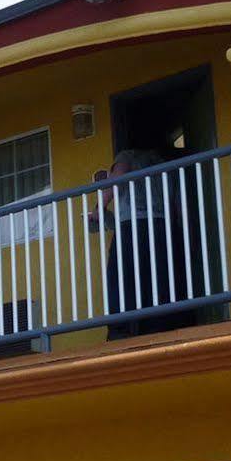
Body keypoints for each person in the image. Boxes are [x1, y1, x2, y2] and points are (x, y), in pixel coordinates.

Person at [93, 144, 200, 340]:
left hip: (132, 224)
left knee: (121, 278)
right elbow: (178, 204)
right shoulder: (166, 164)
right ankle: (158, 328)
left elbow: (119, 176)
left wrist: (100, 207)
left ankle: (120, 331)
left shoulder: (128, 155)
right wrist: (184, 235)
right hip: (162, 224)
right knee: (158, 277)